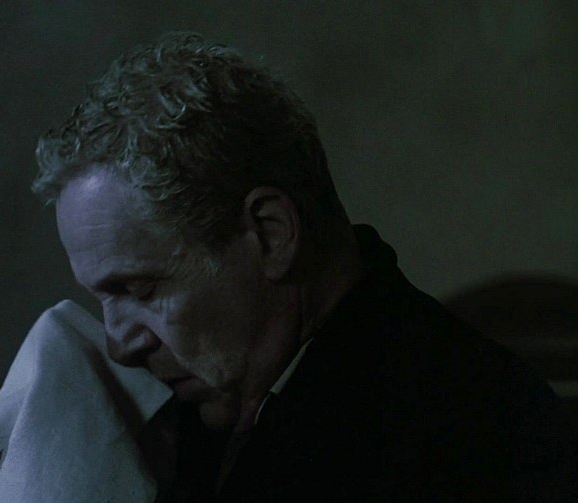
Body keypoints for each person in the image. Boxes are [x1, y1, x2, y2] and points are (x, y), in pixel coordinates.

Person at [29, 32, 578, 500]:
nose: (119, 345)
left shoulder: (460, 439)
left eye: (141, 289)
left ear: (271, 234)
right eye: (103, 299)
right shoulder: (211, 410)